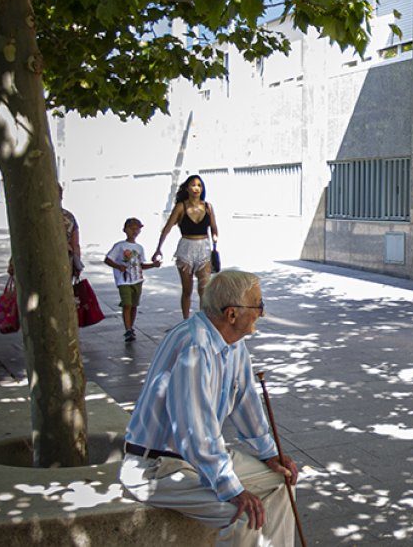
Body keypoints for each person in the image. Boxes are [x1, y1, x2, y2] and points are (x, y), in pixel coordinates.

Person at [119, 270, 299, 546]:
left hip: (194, 459)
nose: (262, 313)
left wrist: (270, 454)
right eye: (258, 305)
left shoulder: (233, 345)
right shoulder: (194, 346)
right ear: (231, 315)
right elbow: (195, 430)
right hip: (157, 466)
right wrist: (231, 488)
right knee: (244, 514)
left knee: (281, 483)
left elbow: (245, 401)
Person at [153, 174, 219, 319]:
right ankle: (186, 320)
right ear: (187, 188)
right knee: (187, 290)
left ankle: (203, 319)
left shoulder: (208, 207)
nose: (196, 188)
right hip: (186, 248)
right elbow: (167, 228)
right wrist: (158, 248)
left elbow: (214, 228)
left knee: (204, 289)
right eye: (193, 185)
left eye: (199, 185)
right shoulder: (180, 207)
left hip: (204, 248)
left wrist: (215, 240)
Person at [104, 218, 162, 342]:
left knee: (134, 305)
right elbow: (108, 259)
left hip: (137, 280)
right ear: (125, 230)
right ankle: (128, 330)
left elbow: (141, 265)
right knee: (127, 304)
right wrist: (118, 266)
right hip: (124, 280)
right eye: (132, 228)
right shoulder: (120, 246)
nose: (134, 231)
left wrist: (153, 264)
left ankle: (131, 326)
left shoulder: (139, 248)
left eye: (137, 229)